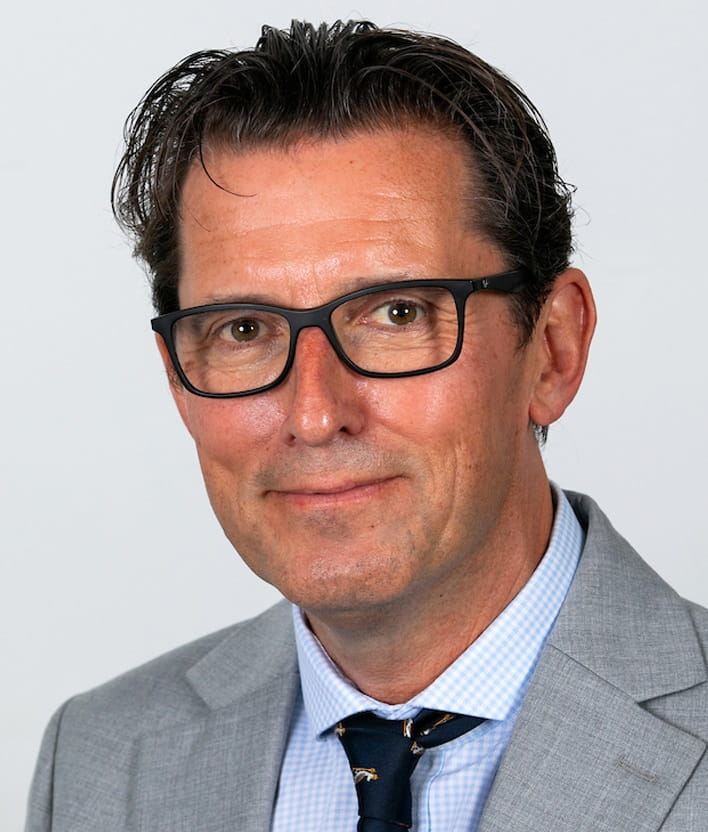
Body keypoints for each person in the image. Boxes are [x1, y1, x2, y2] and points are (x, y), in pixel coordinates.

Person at [25, 19, 707, 832]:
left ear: (553, 350)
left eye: (396, 313)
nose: (315, 416)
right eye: (243, 330)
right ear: (178, 377)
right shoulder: (101, 759)